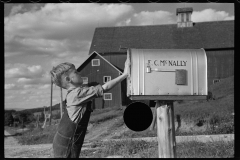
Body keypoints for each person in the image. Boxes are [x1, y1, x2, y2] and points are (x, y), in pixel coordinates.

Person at [50, 58, 130, 158]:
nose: (79, 73)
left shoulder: (75, 93)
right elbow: (104, 88)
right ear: (68, 79)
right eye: (76, 72)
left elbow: (89, 86)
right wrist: (125, 74)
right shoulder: (77, 94)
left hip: (62, 141)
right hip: (67, 144)